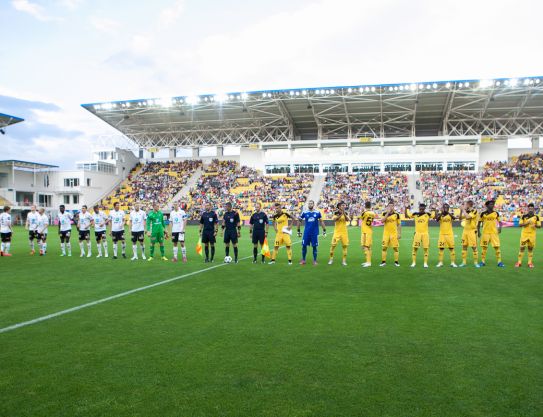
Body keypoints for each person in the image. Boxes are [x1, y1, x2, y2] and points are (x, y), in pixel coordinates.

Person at [405, 203, 434, 268]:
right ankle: (413, 263)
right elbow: (406, 216)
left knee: (426, 249)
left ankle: (425, 263)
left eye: (422, 208)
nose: (421, 209)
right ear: (419, 208)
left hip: (425, 234)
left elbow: (434, 216)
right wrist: (406, 208)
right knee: (415, 248)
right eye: (420, 208)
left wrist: (434, 209)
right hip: (417, 233)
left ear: (424, 208)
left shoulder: (427, 214)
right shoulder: (415, 214)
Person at [297, 200, 326, 265]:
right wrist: (298, 231)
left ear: (313, 204)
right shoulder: (304, 212)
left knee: (314, 247)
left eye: (311, 203)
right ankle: (303, 260)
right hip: (306, 232)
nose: (310, 204)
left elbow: (321, 221)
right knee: (304, 246)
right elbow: (299, 221)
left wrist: (324, 230)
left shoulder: (317, 212)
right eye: (309, 203)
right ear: (308, 205)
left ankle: (315, 260)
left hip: (314, 233)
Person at [478, 200, 504, 267]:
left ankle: (499, 262)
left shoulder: (496, 213)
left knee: (497, 247)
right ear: (487, 206)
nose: (492, 205)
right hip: (485, 233)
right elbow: (479, 223)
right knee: (484, 248)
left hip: (494, 233)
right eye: (490, 204)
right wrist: (478, 232)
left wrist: (500, 228)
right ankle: (482, 261)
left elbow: (500, 222)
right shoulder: (483, 213)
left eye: (492, 204)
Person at [515, 203, 541, 268]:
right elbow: (520, 225)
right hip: (524, 235)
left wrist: (535, 225)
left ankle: (529, 263)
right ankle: (519, 262)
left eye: (532, 209)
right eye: (529, 208)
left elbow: (539, 226)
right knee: (522, 248)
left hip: (532, 235)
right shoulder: (524, 216)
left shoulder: (536, 217)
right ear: (528, 209)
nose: (531, 210)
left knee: (530, 249)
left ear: (534, 209)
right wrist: (526, 223)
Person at [434, 203, 457, 267]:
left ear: (448, 208)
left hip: (450, 234)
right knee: (441, 248)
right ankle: (440, 263)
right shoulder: (440, 215)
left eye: (447, 208)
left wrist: (448, 213)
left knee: (451, 248)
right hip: (442, 234)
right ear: (442, 208)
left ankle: (453, 263)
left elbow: (454, 218)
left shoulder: (450, 215)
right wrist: (441, 213)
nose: (446, 209)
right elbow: (437, 220)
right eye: (444, 207)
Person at [328, 201, 350, 266]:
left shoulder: (346, 213)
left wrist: (344, 214)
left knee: (345, 246)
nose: (344, 206)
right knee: (333, 246)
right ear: (339, 206)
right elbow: (334, 219)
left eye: (345, 205)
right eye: (343, 205)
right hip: (337, 232)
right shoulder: (336, 213)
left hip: (344, 232)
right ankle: (331, 259)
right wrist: (340, 215)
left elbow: (348, 220)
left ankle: (344, 261)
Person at [380, 202, 401, 267]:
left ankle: (396, 262)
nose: (391, 207)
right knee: (384, 248)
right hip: (386, 234)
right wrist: (388, 213)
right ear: (388, 207)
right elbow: (382, 221)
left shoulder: (397, 214)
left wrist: (399, 233)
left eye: (392, 206)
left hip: (394, 234)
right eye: (389, 206)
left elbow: (399, 224)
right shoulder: (384, 213)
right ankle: (383, 262)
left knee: (395, 248)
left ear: (394, 207)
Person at [459, 200, 479, 267]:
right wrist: (461, 211)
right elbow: (460, 218)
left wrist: (463, 210)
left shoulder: (474, 211)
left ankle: (476, 263)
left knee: (474, 247)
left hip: (472, 231)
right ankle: (464, 262)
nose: (464, 206)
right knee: (464, 246)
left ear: (468, 205)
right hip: (465, 231)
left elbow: (468, 217)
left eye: (465, 204)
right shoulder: (467, 211)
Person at [360, 201, 376, 267]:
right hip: (368, 230)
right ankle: (367, 261)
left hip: (366, 231)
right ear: (370, 206)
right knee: (365, 247)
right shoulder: (373, 213)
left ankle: (369, 262)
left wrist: (362, 211)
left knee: (367, 247)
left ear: (365, 206)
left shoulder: (365, 213)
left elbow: (361, 218)